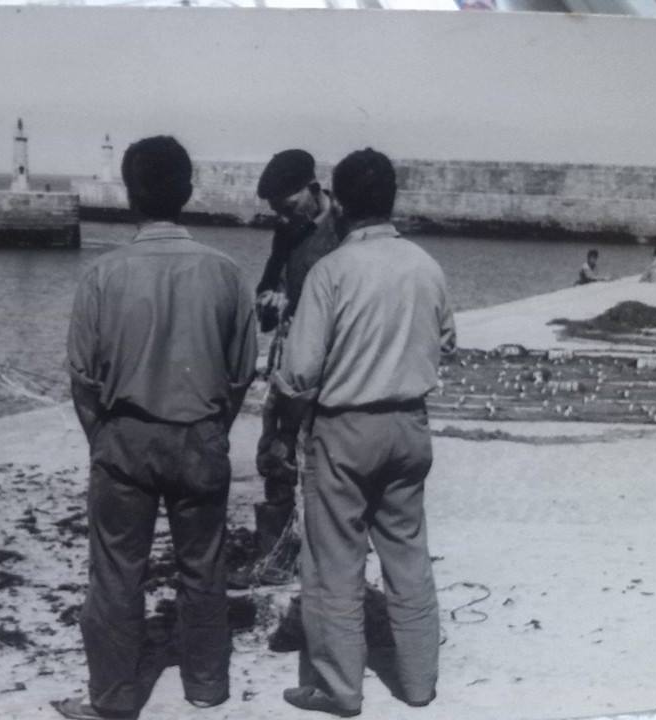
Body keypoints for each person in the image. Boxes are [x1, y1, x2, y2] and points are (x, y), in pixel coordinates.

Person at [57, 135, 258, 720]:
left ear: (128, 196)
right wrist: (214, 425)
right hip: (200, 434)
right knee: (204, 566)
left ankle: (116, 699)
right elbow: (243, 370)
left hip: (126, 434)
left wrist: (102, 438)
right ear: (189, 193)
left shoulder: (102, 274)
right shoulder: (226, 273)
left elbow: (82, 376)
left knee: (117, 573)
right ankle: (205, 686)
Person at [274, 148, 455, 717]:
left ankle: (339, 688)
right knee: (408, 555)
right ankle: (420, 682)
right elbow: (447, 340)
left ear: (342, 202)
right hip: (409, 424)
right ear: (393, 199)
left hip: (345, 427)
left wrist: (285, 421)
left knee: (334, 564)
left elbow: (300, 371)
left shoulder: (332, 271)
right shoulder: (426, 264)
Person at [229, 149, 340, 589]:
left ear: (313, 190)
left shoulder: (345, 230)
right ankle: (276, 558)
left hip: (332, 366)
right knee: (275, 455)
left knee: (325, 464)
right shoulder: (285, 231)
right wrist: (268, 302)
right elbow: (267, 289)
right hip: (288, 360)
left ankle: (323, 558)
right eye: (275, 210)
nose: (283, 216)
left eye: (287, 206)